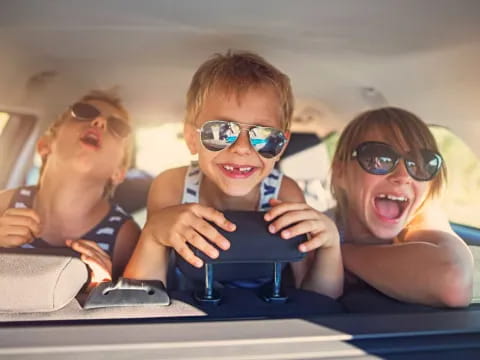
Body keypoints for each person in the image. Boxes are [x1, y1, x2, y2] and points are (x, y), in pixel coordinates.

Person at [124, 51, 343, 298]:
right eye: (220, 131)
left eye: (263, 135)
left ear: (280, 145)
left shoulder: (285, 193)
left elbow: (315, 299)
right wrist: (153, 235)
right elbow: (140, 299)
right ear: (192, 139)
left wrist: (331, 245)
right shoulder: (172, 187)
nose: (241, 148)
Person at [330, 107, 474, 307]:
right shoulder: (313, 232)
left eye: (420, 163)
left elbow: (453, 282)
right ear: (340, 172)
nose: (403, 176)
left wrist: (339, 253)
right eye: (378, 159)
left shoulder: (421, 220)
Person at [0, 90, 141, 287]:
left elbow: (132, 308)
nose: (100, 122)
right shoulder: (5, 204)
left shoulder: (124, 236)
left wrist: (102, 292)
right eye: (84, 112)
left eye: (118, 127)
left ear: (119, 172)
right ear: (45, 145)